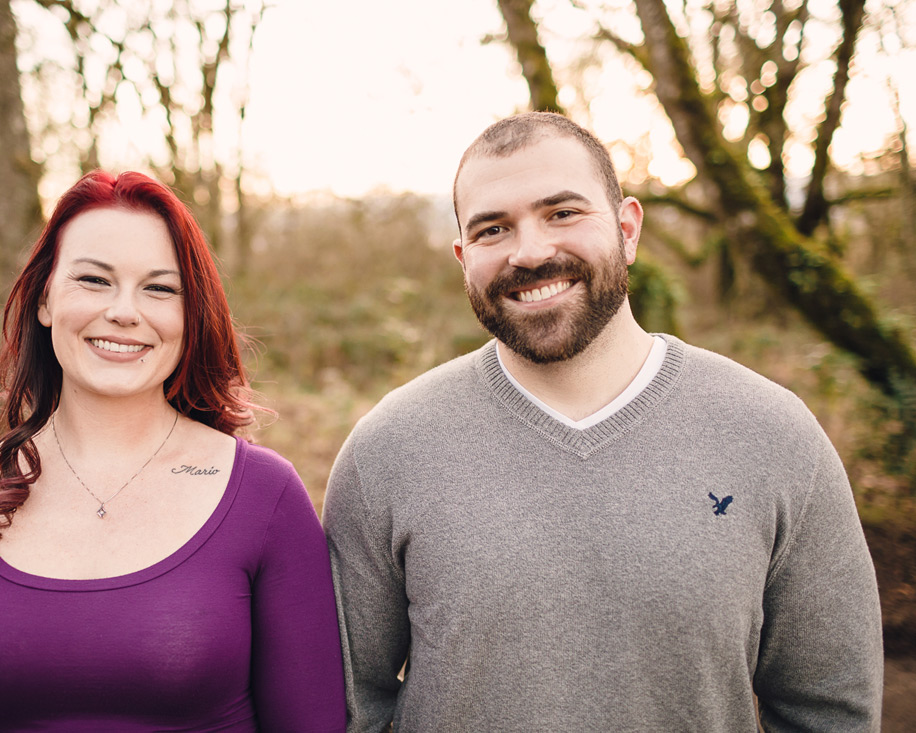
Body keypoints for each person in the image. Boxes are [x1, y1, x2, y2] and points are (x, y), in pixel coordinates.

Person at [323, 112, 883, 732]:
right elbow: (349, 707)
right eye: (492, 229)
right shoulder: (388, 451)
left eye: (562, 213)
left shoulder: (773, 436)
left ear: (628, 229)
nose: (530, 252)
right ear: (463, 258)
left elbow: (829, 708)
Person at [0, 170, 346, 731]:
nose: (125, 311)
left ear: (189, 316)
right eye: (95, 281)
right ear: (45, 299)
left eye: (159, 288)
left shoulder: (265, 497)